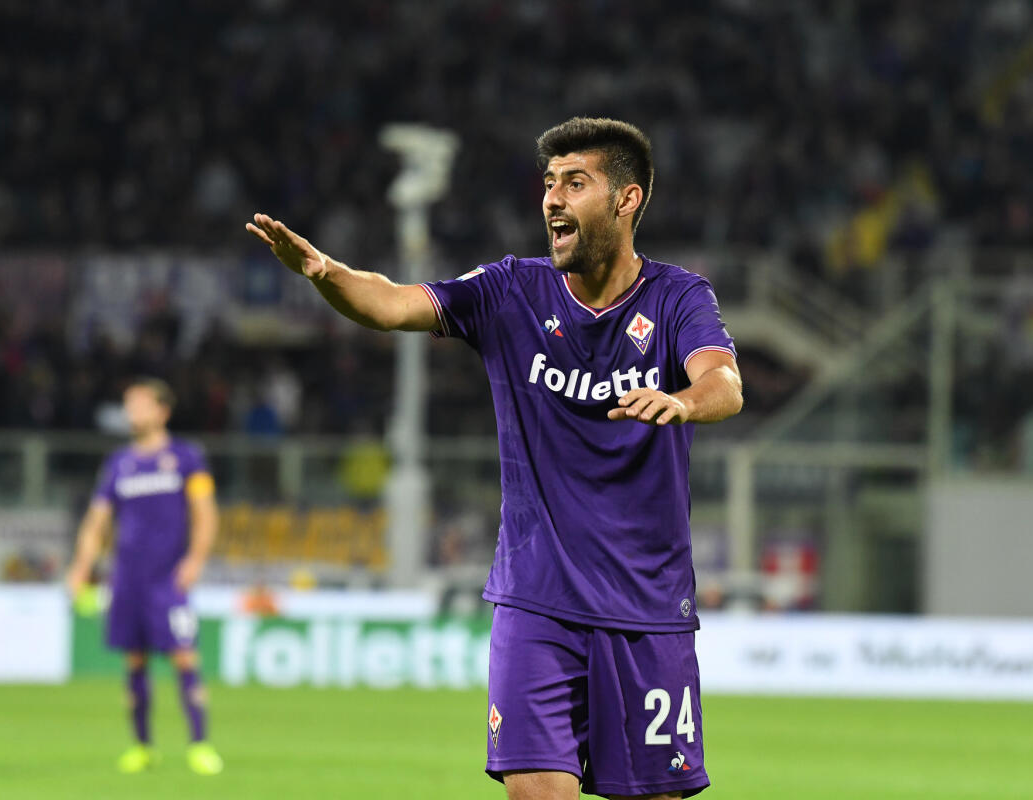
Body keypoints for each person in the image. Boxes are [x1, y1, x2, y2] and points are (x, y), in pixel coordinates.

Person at [246, 117, 742, 799]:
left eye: (576, 182)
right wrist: (324, 273)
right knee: (534, 789)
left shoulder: (678, 297)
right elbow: (392, 305)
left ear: (627, 200)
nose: (552, 200)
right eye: (548, 184)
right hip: (536, 600)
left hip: (645, 607)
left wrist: (684, 402)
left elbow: (723, 381)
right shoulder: (510, 291)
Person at [65, 377, 224, 775]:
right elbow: (97, 521)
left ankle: (199, 744)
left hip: (168, 579)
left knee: (184, 657)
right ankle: (142, 746)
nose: (130, 412)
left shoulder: (186, 457)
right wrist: (82, 566)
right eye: (127, 405)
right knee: (134, 662)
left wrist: (195, 559)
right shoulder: (119, 463)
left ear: (162, 411)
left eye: (138, 404)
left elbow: (205, 513)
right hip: (128, 579)